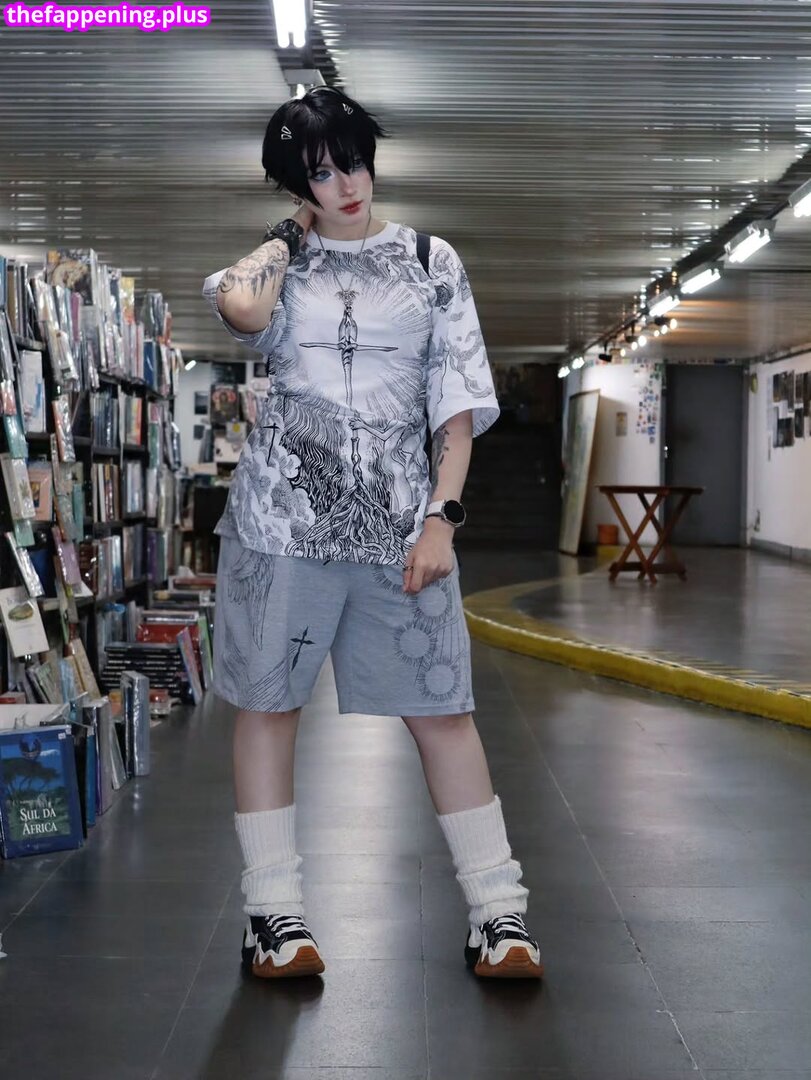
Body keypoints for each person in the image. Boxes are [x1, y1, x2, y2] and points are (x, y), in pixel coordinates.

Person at [201, 85, 543, 981]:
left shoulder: (429, 260)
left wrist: (442, 518)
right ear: (296, 184)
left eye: (354, 164)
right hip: (281, 526)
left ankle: (498, 914)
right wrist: (289, 233)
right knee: (268, 707)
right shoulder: (277, 266)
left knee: (443, 710)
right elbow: (241, 310)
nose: (347, 185)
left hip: (401, 531)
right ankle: (273, 916)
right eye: (321, 173)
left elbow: (455, 403)